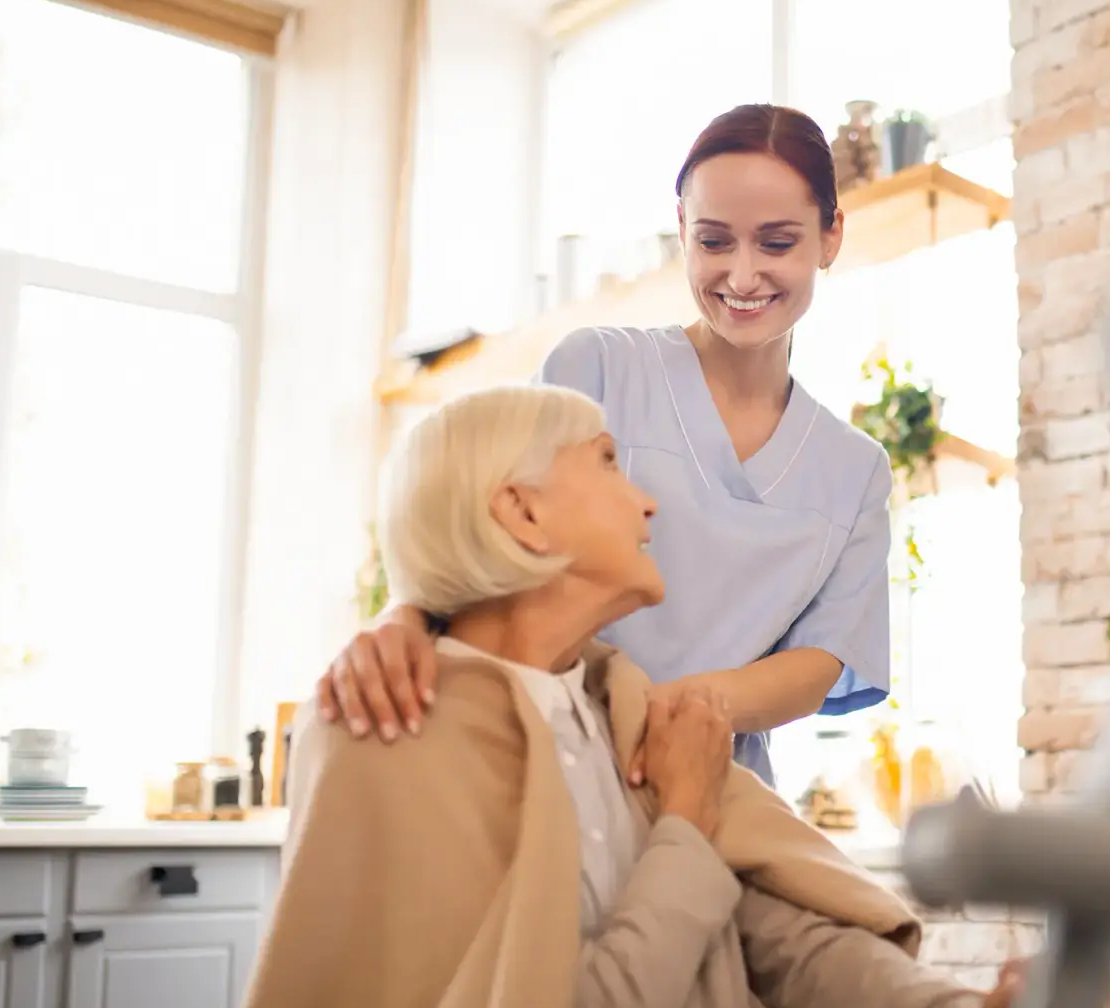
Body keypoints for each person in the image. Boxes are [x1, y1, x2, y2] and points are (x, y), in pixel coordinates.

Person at [202, 384, 1020, 1008]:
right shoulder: (394, 739)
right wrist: (688, 818)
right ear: (521, 510)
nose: (648, 502)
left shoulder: (619, 710)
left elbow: (787, 943)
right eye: (606, 463)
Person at [316, 103, 892, 785]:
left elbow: (817, 664)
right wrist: (400, 620)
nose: (741, 276)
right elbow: (474, 521)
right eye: (713, 242)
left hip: (708, 786)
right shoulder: (595, 370)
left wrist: (665, 715)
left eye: (776, 243)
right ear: (683, 231)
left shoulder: (854, 473)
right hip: (543, 755)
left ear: (830, 238)